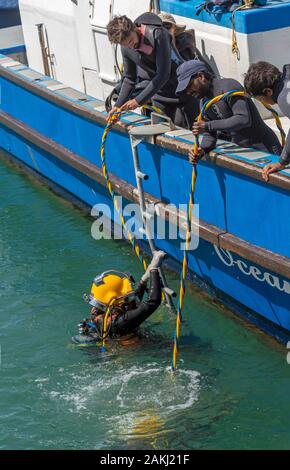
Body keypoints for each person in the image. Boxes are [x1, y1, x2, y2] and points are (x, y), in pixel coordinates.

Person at [175, 60, 282, 164]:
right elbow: (210, 134)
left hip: (265, 147)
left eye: (189, 86)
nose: (188, 92)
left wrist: (208, 125)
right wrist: (202, 150)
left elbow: (243, 119)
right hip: (244, 152)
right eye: (185, 90)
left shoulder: (228, 86)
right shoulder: (203, 102)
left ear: (201, 77)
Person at [106, 13, 198, 129]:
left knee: (185, 128)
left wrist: (138, 101)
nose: (131, 47)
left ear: (135, 28)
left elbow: (163, 74)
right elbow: (129, 78)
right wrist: (117, 106)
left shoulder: (158, 34)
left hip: (183, 90)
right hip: (160, 95)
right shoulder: (126, 47)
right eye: (125, 45)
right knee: (162, 130)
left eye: (130, 41)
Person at [73, 251, 166, 345]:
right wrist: (154, 269)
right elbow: (153, 302)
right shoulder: (118, 323)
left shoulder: (102, 311)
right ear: (113, 299)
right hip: (128, 354)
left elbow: (132, 303)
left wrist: (143, 281)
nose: (126, 296)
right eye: (123, 295)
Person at [244, 61, 290, 181]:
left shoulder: (284, 98)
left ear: (268, 91)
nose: (263, 102)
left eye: (260, 99)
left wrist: (282, 162)